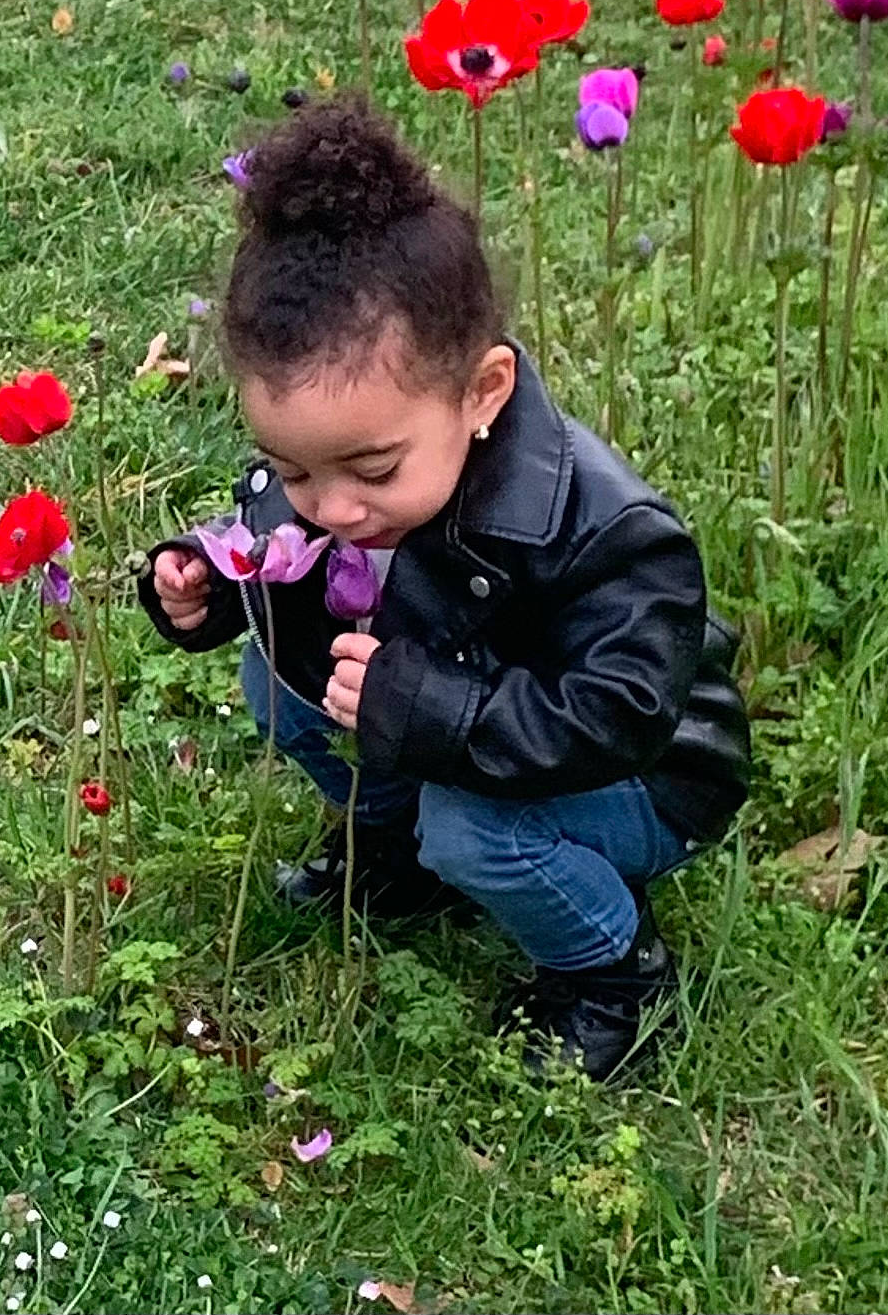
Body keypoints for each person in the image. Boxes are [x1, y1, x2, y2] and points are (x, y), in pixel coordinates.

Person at [138, 96, 750, 1080]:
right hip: (451, 718)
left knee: (474, 827)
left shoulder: (609, 531)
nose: (331, 507)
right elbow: (277, 540)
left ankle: (612, 973)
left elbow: (619, 714)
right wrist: (215, 579)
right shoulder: (343, 479)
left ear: (483, 394)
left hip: (639, 777)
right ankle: (394, 851)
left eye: (372, 472)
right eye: (293, 470)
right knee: (273, 682)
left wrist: (431, 712)